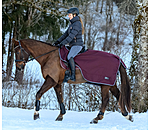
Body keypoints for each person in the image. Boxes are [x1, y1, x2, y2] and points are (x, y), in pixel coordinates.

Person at [54, 7, 84, 81]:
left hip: (77, 45)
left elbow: (71, 37)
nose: (68, 16)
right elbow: (65, 35)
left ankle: (73, 76)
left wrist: (63, 43)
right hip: (72, 45)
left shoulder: (77, 24)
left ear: (74, 15)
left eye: (69, 15)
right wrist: (58, 41)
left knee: (69, 56)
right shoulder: (72, 24)